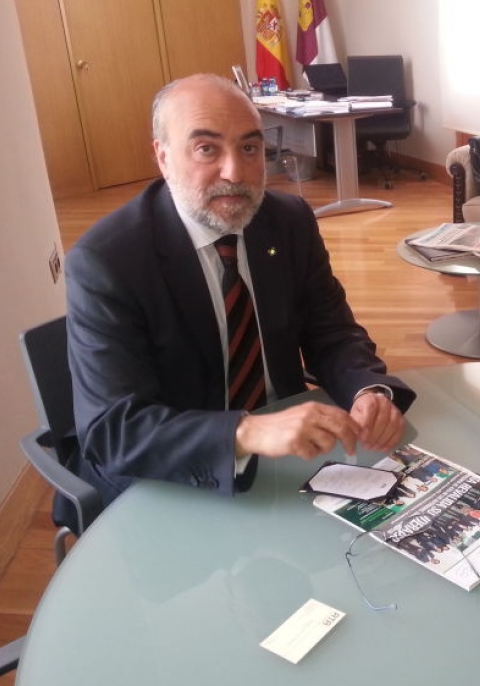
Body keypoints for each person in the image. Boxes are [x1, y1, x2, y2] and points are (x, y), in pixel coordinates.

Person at [63, 72, 415, 511]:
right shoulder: (107, 261)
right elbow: (112, 430)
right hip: (168, 480)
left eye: (250, 148)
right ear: (163, 156)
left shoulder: (288, 221)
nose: (236, 172)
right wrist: (244, 433)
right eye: (207, 148)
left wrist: (367, 390)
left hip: (289, 460)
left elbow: (333, 332)